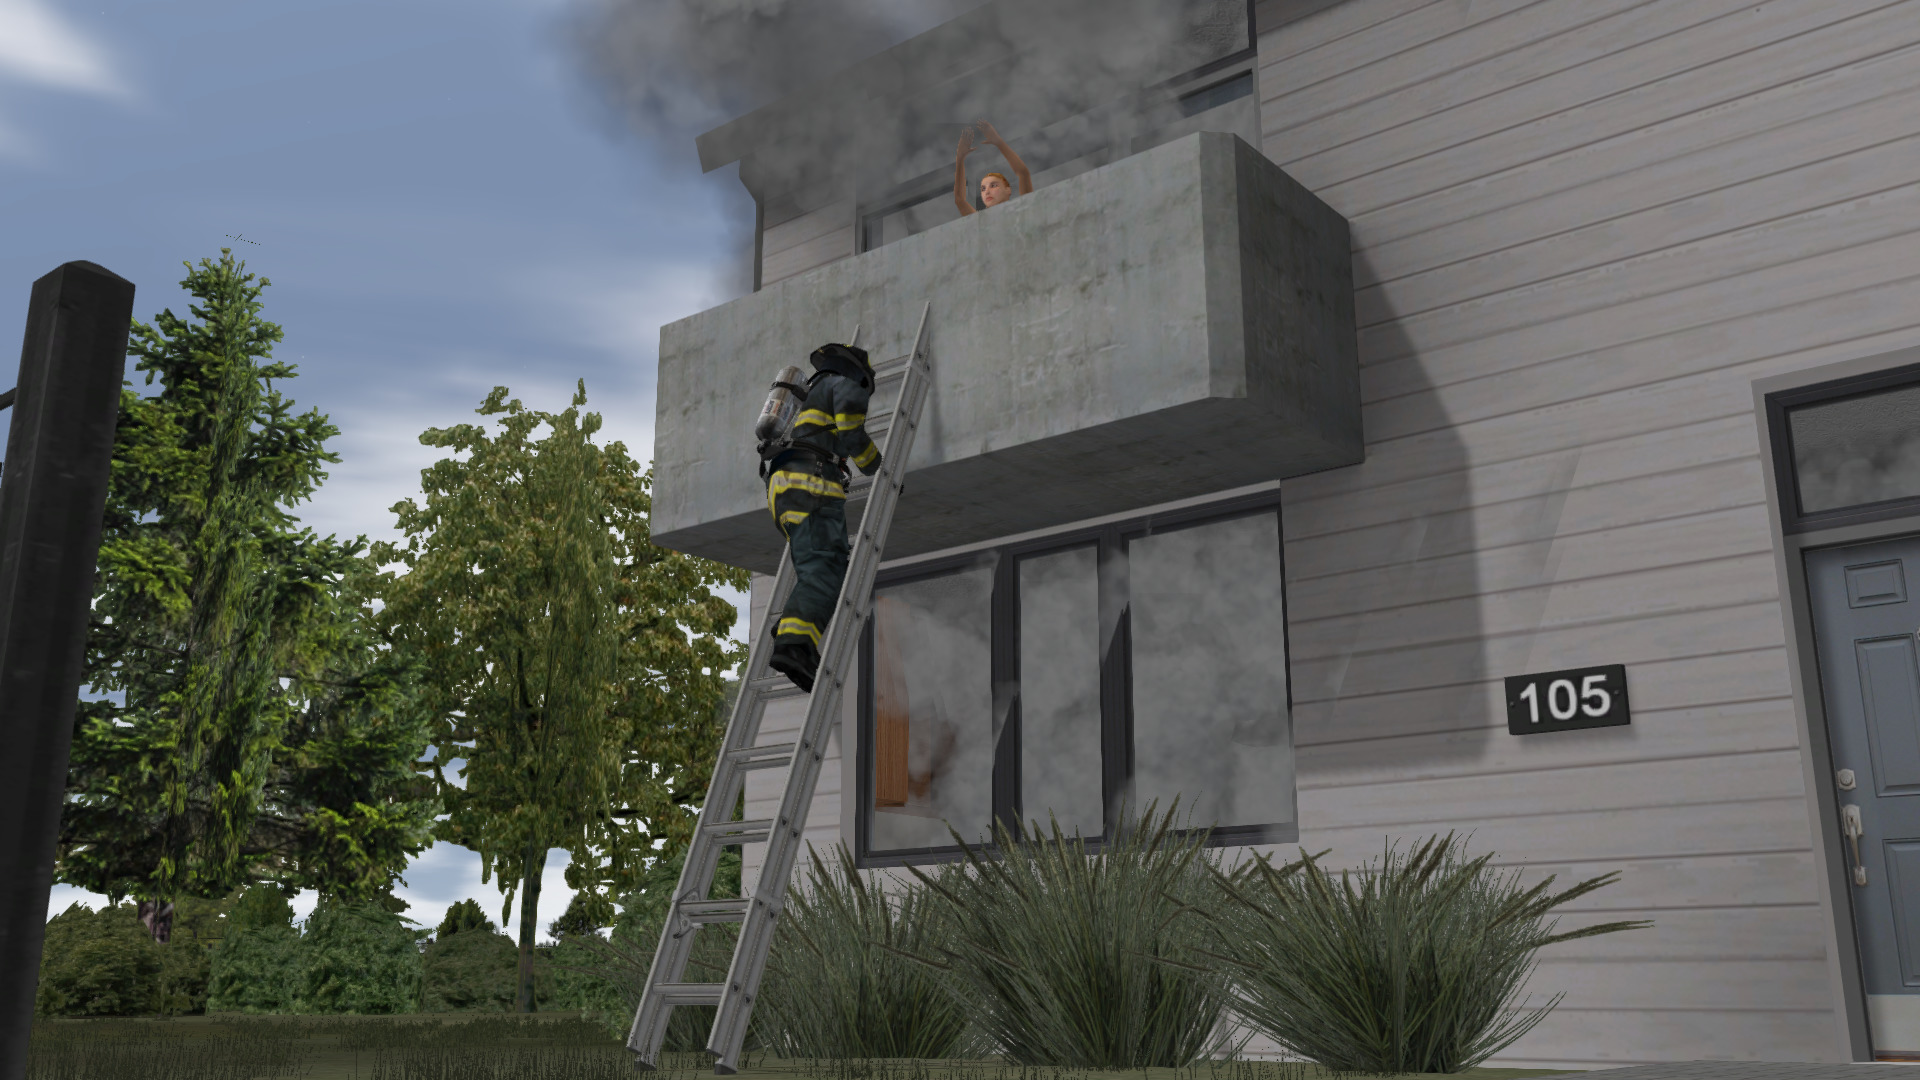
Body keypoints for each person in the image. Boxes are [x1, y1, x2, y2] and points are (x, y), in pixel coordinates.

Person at [763, 342, 883, 692]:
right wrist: (877, 465)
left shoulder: (806, 396)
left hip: (783, 489)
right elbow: (852, 435)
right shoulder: (843, 385)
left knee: (814, 567)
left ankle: (791, 628)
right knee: (826, 570)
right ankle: (793, 646)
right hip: (813, 483)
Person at [953, 119, 1033, 216]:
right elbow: (959, 200)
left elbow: (1023, 173)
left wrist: (999, 142)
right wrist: (960, 158)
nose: (987, 192)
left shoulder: (1023, 208)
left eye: (994, 185)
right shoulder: (980, 221)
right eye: (983, 189)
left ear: (1008, 190)